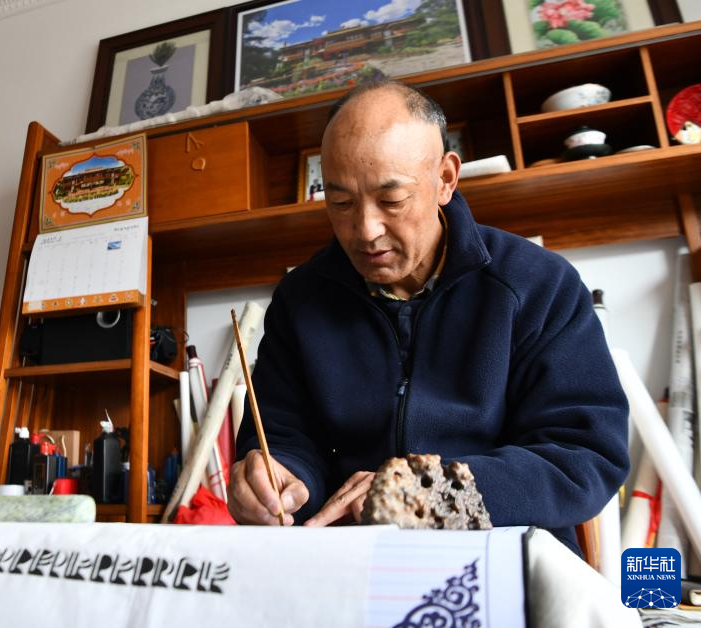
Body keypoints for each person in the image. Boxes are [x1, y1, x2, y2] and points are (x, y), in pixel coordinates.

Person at [229, 80, 629, 555]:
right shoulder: (300, 300)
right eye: (341, 203)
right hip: (350, 561)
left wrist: (428, 492)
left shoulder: (537, 284)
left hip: (501, 556)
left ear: (445, 179)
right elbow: (284, 436)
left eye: (392, 200)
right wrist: (277, 477)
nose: (365, 230)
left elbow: (584, 458)